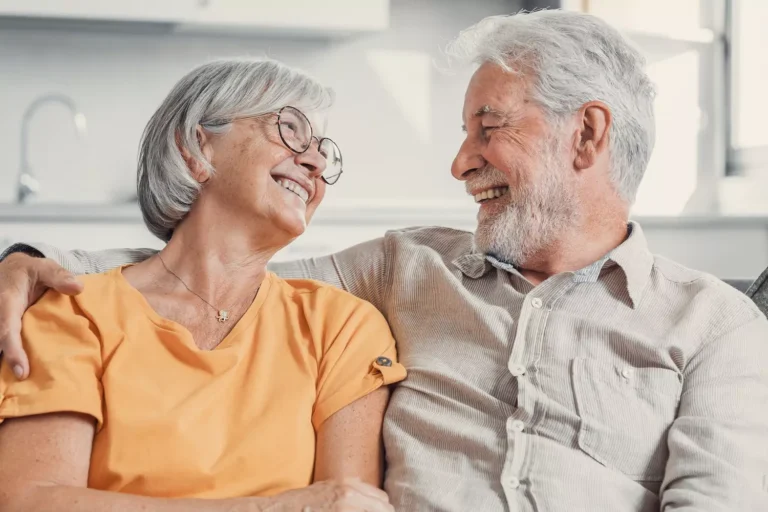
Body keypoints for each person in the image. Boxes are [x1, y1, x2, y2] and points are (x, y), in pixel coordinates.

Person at [2, 9, 768, 512]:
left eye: (487, 128)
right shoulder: (399, 270)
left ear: (587, 137)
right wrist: (32, 258)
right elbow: (212, 271)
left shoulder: (717, 326)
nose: (460, 163)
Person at [0, 57, 405, 512]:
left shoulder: (342, 327)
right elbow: (32, 501)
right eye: (290, 129)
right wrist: (272, 508)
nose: (314, 161)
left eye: (324, 153)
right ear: (197, 148)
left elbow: (349, 507)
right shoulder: (76, 311)